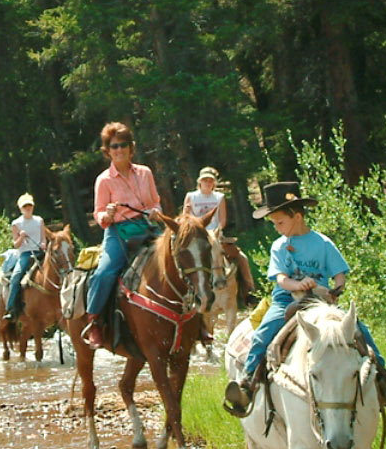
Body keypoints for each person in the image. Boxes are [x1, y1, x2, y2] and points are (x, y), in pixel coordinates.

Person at [222, 180, 386, 417]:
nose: (277, 228)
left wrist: (336, 289)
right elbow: (281, 279)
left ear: (298, 216)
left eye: (280, 222)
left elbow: (339, 274)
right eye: (274, 223)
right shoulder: (279, 246)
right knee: (264, 332)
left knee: (359, 331)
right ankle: (247, 384)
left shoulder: (322, 243)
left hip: (320, 301)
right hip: (286, 299)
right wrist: (297, 284)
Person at [81, 122, 163, 351]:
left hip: (147, 227)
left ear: (131, 147)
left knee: (177, 257)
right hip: (118, 230)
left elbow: (155, 201)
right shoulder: (104, 180)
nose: (119, 150)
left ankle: (195, 316)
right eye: (114, 146)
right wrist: (106, 214)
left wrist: (157, 211)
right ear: (107, 150)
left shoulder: (145, 173)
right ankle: (94, 321)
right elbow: (98, 214)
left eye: (123, 144)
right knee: (105, 271)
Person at [183, 166, 256, 303]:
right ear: (200, 182)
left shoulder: (219, 197)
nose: (208, 183)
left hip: (216, 235)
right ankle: (187, 294)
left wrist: (215, 232)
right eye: (205, 180)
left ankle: (248, 291)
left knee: (241, 257)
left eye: (211, 181)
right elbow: (185, 219)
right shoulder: (191, 196)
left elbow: (222, 220)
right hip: (198, 237)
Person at [5, 193, 45, 321]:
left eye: (30, 206)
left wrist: (43, 244)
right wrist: (21, 237)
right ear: (20, 208)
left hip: (39, 252)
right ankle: (12, 308)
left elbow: (43, 238)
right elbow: (16, 245)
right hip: (25, 254)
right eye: (25, 206)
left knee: (57, 269)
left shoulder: (39, 220)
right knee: (16, 276)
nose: (28, 208)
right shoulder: (16, 223)